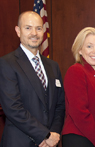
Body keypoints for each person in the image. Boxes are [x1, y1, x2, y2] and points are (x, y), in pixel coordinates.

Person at [0, 11, 65, 147]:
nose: (34, 33)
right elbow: (13, 108)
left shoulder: (53, 66)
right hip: (20, 142)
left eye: (38, 28)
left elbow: (60, 105)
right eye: (28, 28)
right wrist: (44, 135)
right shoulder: (7, 63)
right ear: (18, 31)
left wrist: (53, 134)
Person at [61, 27, 95, 147]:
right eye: (89, 46)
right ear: (80, 50)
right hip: (79, 138)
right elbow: (79, 112)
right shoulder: (76, 71)